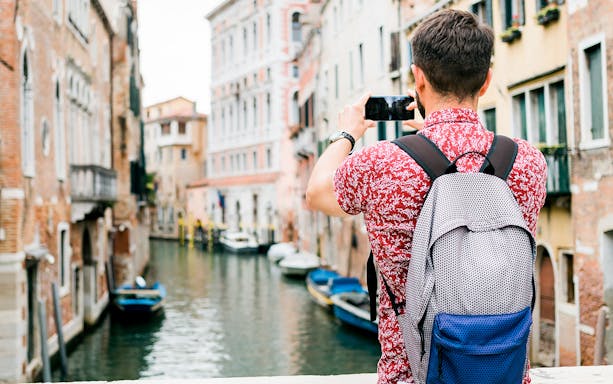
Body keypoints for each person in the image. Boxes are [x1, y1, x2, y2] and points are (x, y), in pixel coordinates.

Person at [305, 9, 547, 384]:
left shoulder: (382, 162)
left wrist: (347, 133)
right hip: (506, 374)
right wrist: (440, 140)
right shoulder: (528, 160)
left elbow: (317, 193)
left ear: (418, 78)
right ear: (486, 81)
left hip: (411, 375)